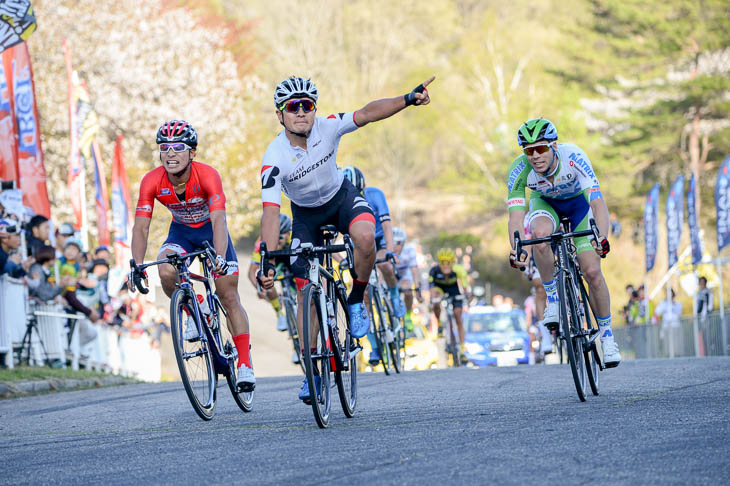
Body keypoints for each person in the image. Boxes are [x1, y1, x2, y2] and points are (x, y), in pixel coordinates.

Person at [257, 75, 434, 402]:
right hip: (306, 217)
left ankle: (356, 299)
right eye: (292, 107)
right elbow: (270, 213)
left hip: (341, 200)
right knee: (303, 289)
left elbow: (367, 113)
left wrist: (407, 99)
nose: (301, 113)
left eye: (307, 106)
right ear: (279, 115)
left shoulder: (328, 126)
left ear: (314, 109)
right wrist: (267, 258)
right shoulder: (274, 156)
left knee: (366, 237)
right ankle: (312, 370)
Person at [130, 120, 255, 391]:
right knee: (164, 270)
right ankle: (194, 304)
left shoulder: (207, 175)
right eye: (164, 148)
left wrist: (220, 257)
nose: (170, 153)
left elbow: (220, 220)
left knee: (229, 295)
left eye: (178, 147)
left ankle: (244, 363)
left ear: (192, 153)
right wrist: (137, 265)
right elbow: (142, 225)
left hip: (212, 233)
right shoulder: (152, 180)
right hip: (182, 234)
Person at [506, 118, 621, 367]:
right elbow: (516, 217)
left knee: (592, 272)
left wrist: (601, 237)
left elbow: (598, 203)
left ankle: (607, 336)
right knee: (538, 238)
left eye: (541, 148)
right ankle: (554, 301)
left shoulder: (574, 157)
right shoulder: (518, 169)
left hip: (579, 207)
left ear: (554, 146)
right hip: (546, 205)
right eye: (529, 150)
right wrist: (516, 249)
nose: (535, 156)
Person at [247, 213, 294, 333]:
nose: (276, 240)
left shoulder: (293, 237)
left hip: (289, 259)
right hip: (272, 261)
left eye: (280, 238)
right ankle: (280, 313)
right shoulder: (262, 242)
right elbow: (252, 272)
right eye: (274, 237)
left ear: (288, 234)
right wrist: (259, 288)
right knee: (265, 278)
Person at [429, 248, 469, 362]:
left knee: (458, 316)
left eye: (448, 263)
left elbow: (465, 286)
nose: (445, 266)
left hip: (453, 289)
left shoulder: (459, 270)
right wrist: (434, 299)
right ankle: (440, 324)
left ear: (453, 262)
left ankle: (462, 349)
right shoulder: (434, 271)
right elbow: (432, 289)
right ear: (439, 263)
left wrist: (467, 295)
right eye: (442, 263)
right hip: (439, 288)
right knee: (436, 300)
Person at [392, 227, 422, 330]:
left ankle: (408, 315)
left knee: (408, 291)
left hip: (404, 274)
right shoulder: (385, 249)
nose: (396, 245)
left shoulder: (409, 250)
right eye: (393, 242)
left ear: (404, 243)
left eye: (399, 242)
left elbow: (414, 269)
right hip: (391, 274)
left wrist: (417, 287)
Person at [654, 288, 683, 357]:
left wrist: (673, 304)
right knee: (667, 343)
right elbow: (657, 312)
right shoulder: (663, 303)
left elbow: (679, 313)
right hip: (666, 326)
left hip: (675, 325)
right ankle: (668, 355)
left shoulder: (677, 304)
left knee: (676, 343)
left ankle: (676, 355)